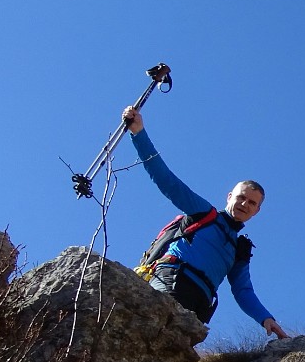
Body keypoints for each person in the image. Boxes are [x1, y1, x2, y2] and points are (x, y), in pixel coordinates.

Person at [123, 105, 288, 338]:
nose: (244, 204)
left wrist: (265, 318)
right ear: (229, 197)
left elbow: (243, 290)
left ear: (256, 211)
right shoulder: (204, 213)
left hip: (200, 305)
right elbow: (167, 181)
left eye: (251, 203)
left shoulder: (238, 250)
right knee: (151, 336)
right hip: (171, 281)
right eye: (241, 197)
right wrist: (139, 134)